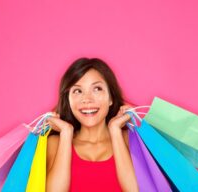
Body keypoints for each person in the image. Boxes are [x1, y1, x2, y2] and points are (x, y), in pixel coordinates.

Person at [45, 58, 139, 192]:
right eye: (77, 91)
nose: (87, 99)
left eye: (97, 89)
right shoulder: (54, 143)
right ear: (68, 99)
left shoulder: (131, 141)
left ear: (111, 98)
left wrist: (115, 131)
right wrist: (66, 133)